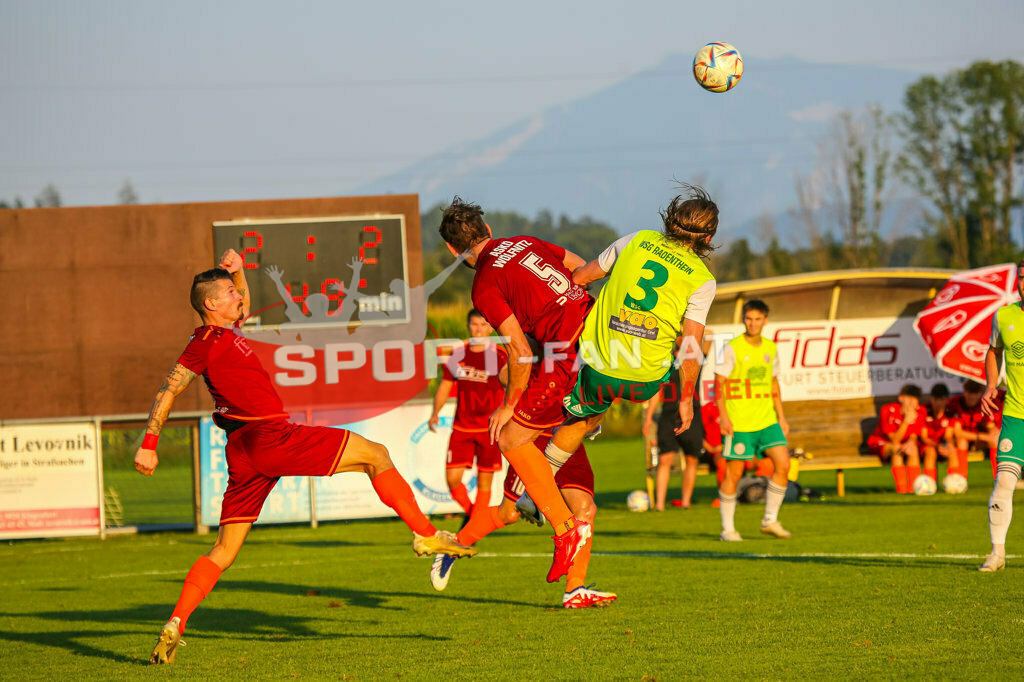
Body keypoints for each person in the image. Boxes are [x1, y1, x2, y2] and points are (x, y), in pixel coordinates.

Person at [135, 250, 475, 664]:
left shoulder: (226, 332)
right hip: (271, 436)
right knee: (376, 455)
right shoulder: (204, 343)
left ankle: (176, 622)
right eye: (229, 294)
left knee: (222, 552)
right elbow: (168, 388)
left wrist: (238, 271)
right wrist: (149, 443)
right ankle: (424, 533)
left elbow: (242, 296)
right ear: (211, 304)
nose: (239, 298)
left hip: (244, 451)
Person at [520, 185, 718, 519]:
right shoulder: (703, 279)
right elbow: (691, 346)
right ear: (708, 239)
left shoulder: (637, 240)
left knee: (580, 414)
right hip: (648, 380)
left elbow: (581, 278)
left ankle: (530, 493)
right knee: (597, 406)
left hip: (600, 366)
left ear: (672, 220)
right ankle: (591, 417)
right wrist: (685, 400)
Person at [438, 198, 594, 585]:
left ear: (452, 250)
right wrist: (566, 305)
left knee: (509, 437)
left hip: (563, 357)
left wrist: (508, 405)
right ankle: (574, 588)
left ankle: (562, 529)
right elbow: (579, 266)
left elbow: (520, 352)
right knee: (577, 505)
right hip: (596, 337)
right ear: (487, 230)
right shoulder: (525, 241)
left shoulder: (485, 284)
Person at [429, 432, 616, 608]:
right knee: (508, 513)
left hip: (570, 437)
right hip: (535, 438)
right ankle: (452, 546)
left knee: (585, 509)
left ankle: (574, 589)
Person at [715, 299, 792, 540]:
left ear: (765, 321)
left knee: (784, 464)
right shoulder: (732, 348)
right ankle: (728, 529)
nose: (753, 323)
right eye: (749, 318)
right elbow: (719, 385)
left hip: (767, 420)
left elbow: (773, 382)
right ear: (743, 320)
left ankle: (770, 520)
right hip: (739, 423)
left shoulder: (770, 348)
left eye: (758, 319)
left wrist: (781, 416)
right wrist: (724, 418)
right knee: (734, 474)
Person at [428, 309, 508, 519]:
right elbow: (445, 385)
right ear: (467, 325)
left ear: (491, 328)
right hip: (462, 427)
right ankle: (478, 519)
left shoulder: (500, 355)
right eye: (474, 324)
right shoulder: (458, 353)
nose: (478, 329)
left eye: (483, 325)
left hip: (489, 429)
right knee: (452, 479)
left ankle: (474, 525)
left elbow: (513, 387)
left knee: (484, 482)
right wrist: (435, 412)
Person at [979, 260, 1024, 572]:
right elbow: (993, 351)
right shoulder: (1004, 315)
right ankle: (997, 554)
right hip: (1016, 415)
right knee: (1004, 480)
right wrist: (991, 386)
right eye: (1022, 278)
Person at [642, 369, 705, 511]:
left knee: (692, 459)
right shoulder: (666, 364)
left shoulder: (695, 363)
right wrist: (648, 418)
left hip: (692, 414)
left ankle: (686, 502)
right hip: (669, 416)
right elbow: (657, 391)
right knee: (665, 459)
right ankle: (659, 504)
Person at [867, 384, 926, 493]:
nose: (912, 402)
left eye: (915, 399)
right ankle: (902, 490)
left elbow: (914, 435)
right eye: (909, 398)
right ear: (901, 398)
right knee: (897, 448)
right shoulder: (888, 410)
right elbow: (894, 439)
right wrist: (906, 422)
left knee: (913, 449)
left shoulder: (920, 412)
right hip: (880, 444)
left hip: (902, 445)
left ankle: (913, 489)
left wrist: (910, 443)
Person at [951, 380, 1001, 479]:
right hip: (962, 440)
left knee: (995, 438)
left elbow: (991, 427)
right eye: (969, 393)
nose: (972, 397)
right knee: (962, 442)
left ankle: (998, 478)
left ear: (980, 394)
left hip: (980, 441)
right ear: (964, 391)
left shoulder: (984, 404)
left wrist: (992, 435)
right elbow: (957, 433)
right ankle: (960, 480)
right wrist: (981, 437)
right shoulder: (956, 403)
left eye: (976, 393)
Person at [921, 382, 955, 481]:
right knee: (930, 452)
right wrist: (937, 446)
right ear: (932, 399)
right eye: (936, 400)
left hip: (941, 445)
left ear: (947, 400)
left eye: (942, 400)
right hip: (926, 445)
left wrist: (947, 446)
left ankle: (954, 484)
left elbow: (948, 436)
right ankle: (928, 485)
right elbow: (924, 437)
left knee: (952, 450)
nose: (939, 403)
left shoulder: (950, 412)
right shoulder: (924, 411)